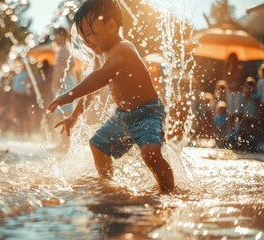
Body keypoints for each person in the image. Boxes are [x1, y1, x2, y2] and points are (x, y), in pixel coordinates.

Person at [48, 0, 175, 193]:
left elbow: (101, 77)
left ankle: (169, 192)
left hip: (148, 113)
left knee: (150, 153)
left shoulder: (123, 48)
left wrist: (69, 95)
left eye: (90, 33)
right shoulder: (102, 55)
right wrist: (74, 117)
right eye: (83, 36)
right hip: (123, 116)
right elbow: (93, 89)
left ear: (111, 27)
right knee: (97, 146)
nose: (86, 41)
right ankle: (107, 183)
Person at [223, 53, 244, 131]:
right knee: (230, 112)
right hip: (230, 93)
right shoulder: (227, 68)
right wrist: (227, 68)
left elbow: (240, 80)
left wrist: (235, 83)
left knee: (237, 112)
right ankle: (230, 130)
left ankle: (237, 129)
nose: (232, 60)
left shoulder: (239, 68)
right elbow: (226, 80)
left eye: (234, 59)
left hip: (238, 92)